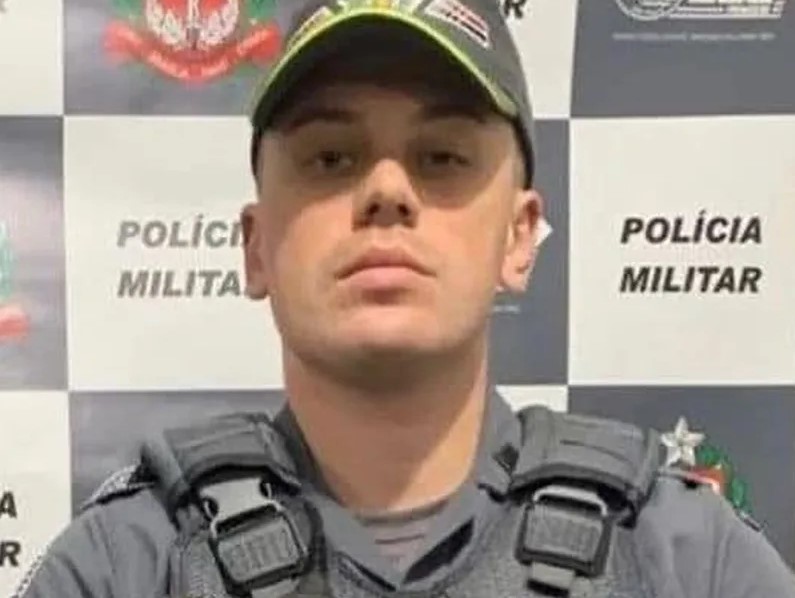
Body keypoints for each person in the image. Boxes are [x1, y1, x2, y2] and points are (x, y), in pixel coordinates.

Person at [15, 0, 795, 596]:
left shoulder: (684, 557)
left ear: (519, 236)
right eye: (330, 157)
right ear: (255, 247)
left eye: (441, 156)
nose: (386, 189)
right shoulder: (124, 566)